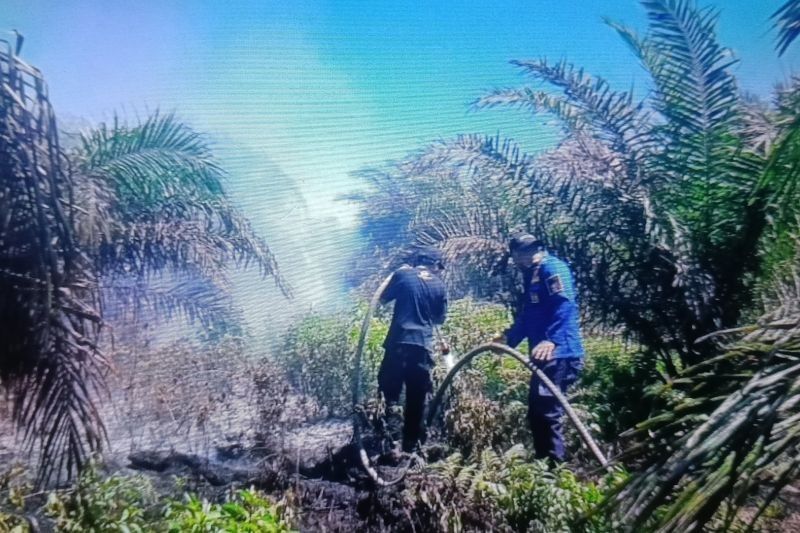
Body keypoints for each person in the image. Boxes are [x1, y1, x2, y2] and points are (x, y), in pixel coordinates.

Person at [496, 234, 584, 462]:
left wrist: (552, 340)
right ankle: (543, 465)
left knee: (548, 411)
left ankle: (557, 470)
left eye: (516, 256)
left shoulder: (553, 269)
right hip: (543, 356)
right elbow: (529, 316)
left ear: (521, 254)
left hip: (559, 353)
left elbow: (565, 305)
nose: (515, 262)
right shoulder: (532, 275)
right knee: (537, 411)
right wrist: (508, 338)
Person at [378, 246, 448, 453]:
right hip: (422, 348)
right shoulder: (439, 285)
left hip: (398, 344)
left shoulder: (402, 274)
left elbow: (381, 300)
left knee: (389, 394)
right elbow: (439, 319)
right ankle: (412, 446)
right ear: (434, 265)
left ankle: (390, 444)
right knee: (417, 398)